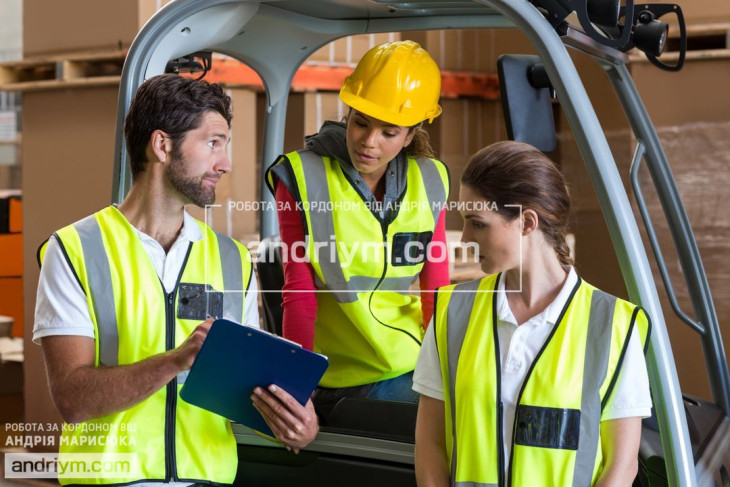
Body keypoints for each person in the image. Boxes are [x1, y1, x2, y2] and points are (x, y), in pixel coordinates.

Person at [34, 74, 318, 486]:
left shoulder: (233, 259)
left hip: (207, 479)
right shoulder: (75, 250)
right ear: (163, 145)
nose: (225, 163)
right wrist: (174, 360)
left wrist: (295, 422)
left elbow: (247, 391)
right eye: (212, 143)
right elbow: (72, 400)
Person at [413, 141, 652, 487]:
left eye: (477, 223)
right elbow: (430, 444)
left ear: (526, 222)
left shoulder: (614, 326)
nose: (464, 237)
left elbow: (621, 465)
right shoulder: (453, 312)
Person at [266, 40, 451, 420]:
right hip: (335, 375)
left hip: (406, 365)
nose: (368, 142)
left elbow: (436, 291)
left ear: (411, 134)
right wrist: (298, 385)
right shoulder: (302, 176)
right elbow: (298, 292)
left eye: (389, 132)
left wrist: (443, 371)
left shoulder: (431, 180)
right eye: (361, 123)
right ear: (348, 113)